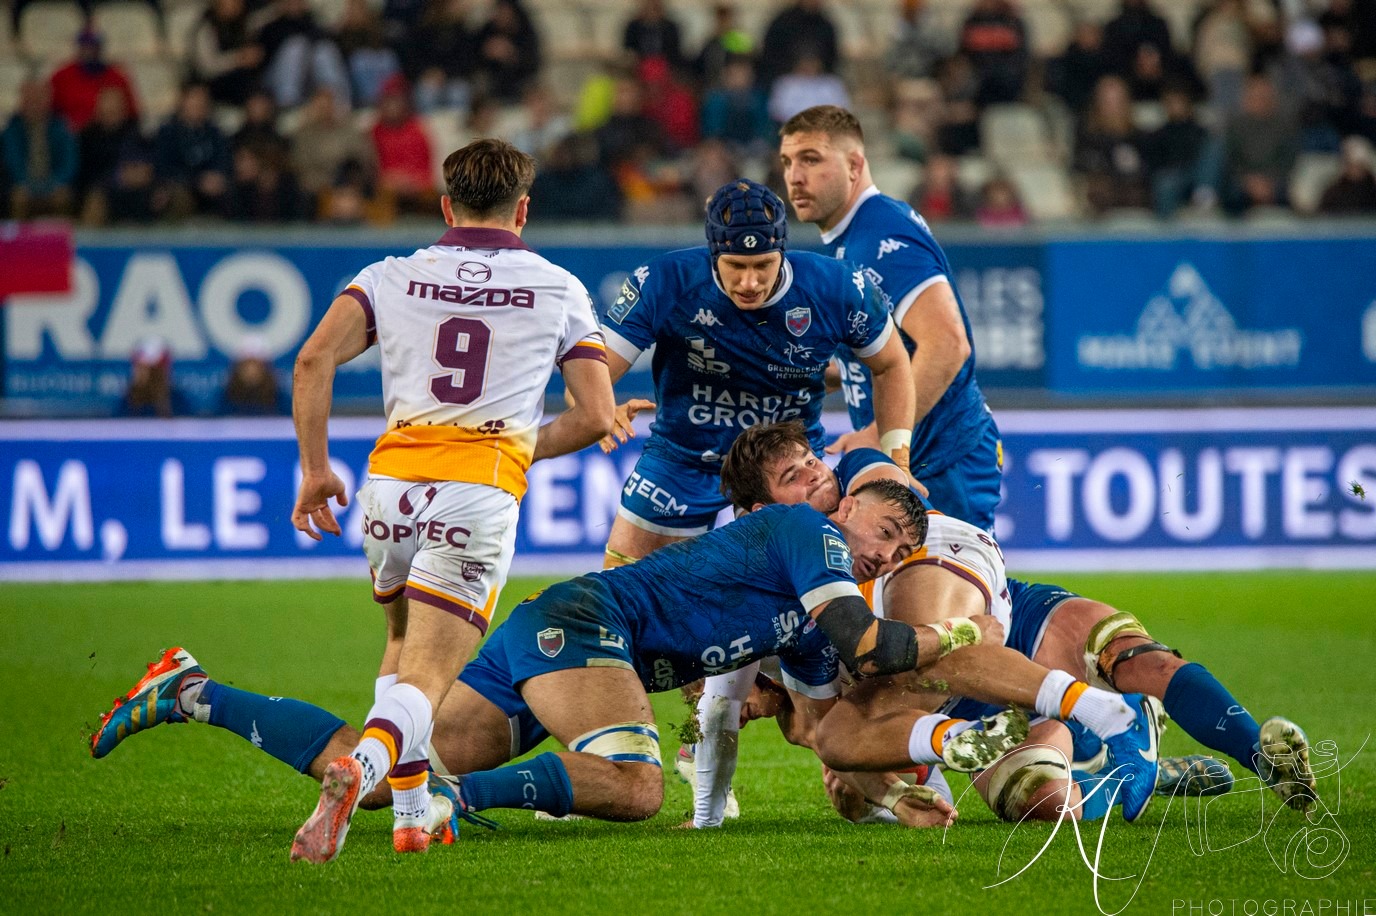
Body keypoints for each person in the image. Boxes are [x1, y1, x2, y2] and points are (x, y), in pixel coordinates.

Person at [91, 480, 1028, 833]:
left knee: (372, 767)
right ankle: (453, 807)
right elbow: (867, 643)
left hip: (563, 641)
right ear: (850, 507)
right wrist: (954, 638)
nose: (886, 551)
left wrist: (891, 787)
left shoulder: (801, 593)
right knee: (634, 786)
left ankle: (190, 691)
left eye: (904, 550)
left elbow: (819, 724)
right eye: (887, 529)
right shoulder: (810, 537)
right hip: (586, 627)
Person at [698, 421, 1318, 825]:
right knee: (1044, 803)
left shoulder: (861, 483)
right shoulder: (770, 592)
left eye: (812, 461)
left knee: (1136, 658)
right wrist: (869, 785)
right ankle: (1134, 767)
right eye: (794, 476)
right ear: (757, 512)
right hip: (960, 695)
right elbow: (816, 724)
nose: (815, 476)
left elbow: (889, 474)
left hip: (992, 602)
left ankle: (1264, 759)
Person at [286, 138, 615, 862]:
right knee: (432, 678)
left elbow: (312, 359)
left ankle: (409, 813)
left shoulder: (390, 275)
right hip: (476, 490)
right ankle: (359, 771)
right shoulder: (558, 286)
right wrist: (519, 445)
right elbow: (595, 414)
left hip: (390, 488)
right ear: (523, 210)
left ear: (445, 205)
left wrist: (314, 470)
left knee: (402, 645)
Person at [598, 178, 915, 569]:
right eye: (735, 266)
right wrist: (598, 406)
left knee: (801, 611)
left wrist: (899, 457)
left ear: (783, 251)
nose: (750, 282)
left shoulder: (838, 287)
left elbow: (892, 363)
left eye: (764, 265)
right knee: (625, 598)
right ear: (714, 254)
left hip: (790, 472)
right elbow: (592, 369)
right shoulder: (665, 280)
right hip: (684, 461)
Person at [778, 105, 1001, 531]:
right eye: (788, 162)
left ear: (855, 164)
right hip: (924, 459)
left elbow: (947, 343)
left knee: (953, 595)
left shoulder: (879, 236)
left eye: (811, 159)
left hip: (939, 460)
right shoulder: (853, 237)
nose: (794, 177)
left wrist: (879, 431)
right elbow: (881, 356)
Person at [48, 29, 140, 133]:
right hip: (69, 137)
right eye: (85, 47)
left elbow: (133, 115)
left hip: (110, 136)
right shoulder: (61, 77)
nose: (89, 52)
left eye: (94, 47)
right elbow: (49, 113)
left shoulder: (118, 77)